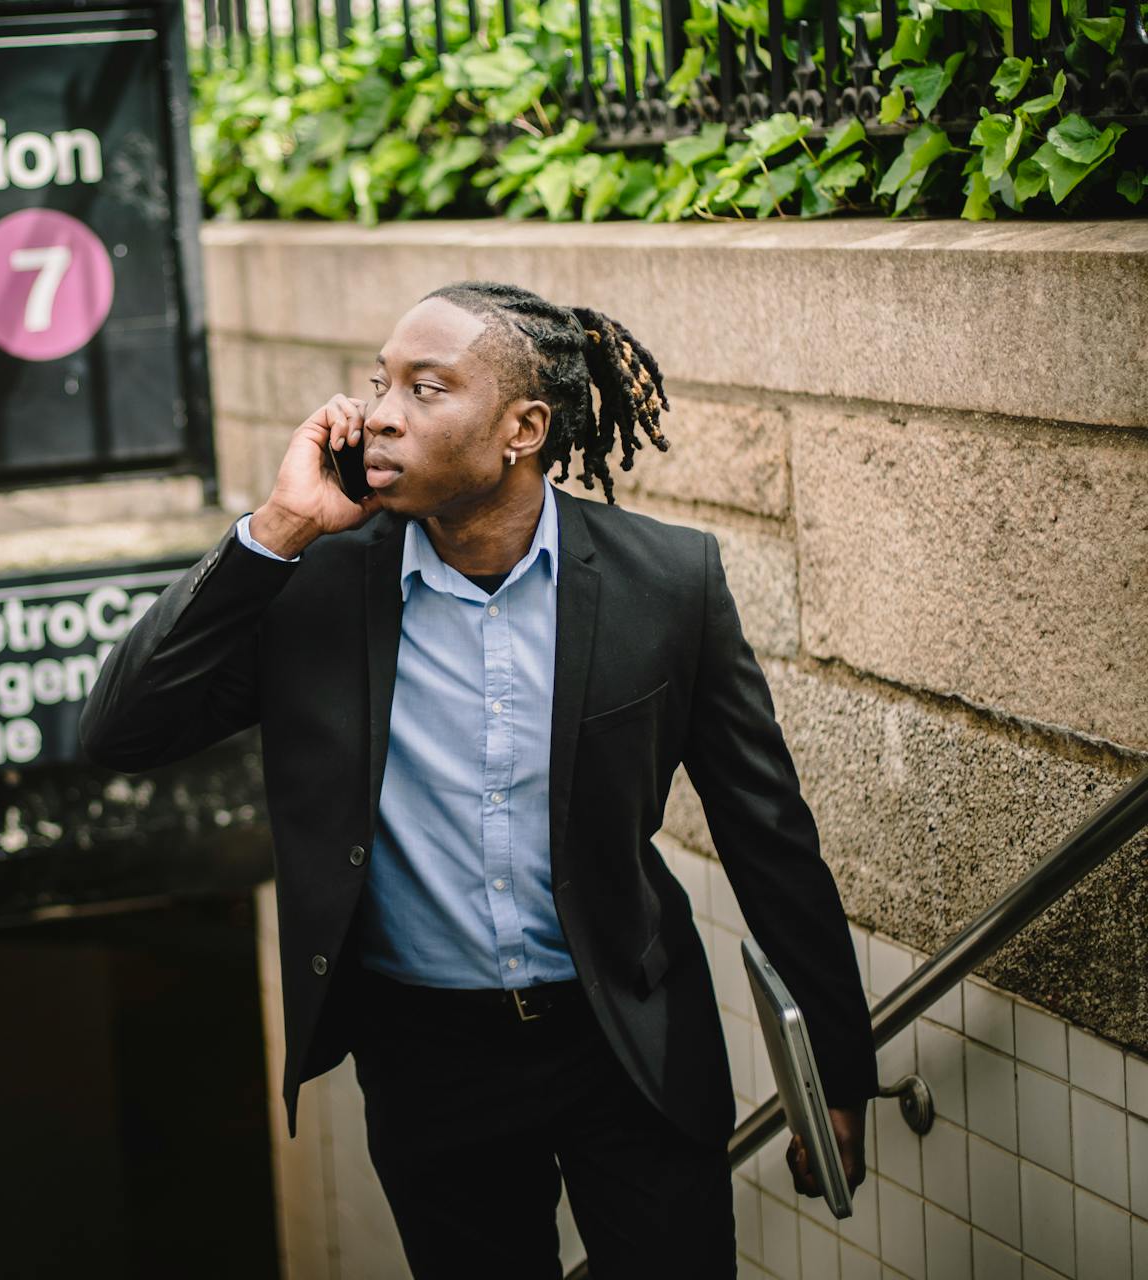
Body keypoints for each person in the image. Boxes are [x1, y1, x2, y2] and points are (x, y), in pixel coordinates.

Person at [78, 281, 876, 1277]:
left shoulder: (668, 583)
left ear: (523, 428)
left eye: (425, 388)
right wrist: (278, 526)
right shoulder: (315, 585)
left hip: (627, 1040)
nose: (379, 413)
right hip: (429, 1063)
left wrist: (837, 1071)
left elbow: (768, 832)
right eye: (379, 385)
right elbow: (119, 728)